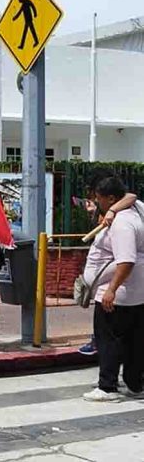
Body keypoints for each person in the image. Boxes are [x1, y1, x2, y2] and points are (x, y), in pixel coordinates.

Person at [82, 177, 144, 402]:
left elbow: (126, 260)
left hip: (118, 294)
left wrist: (112, 290)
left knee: (109, 340)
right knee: (134, 340)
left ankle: (107, 386)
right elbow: (131, 196)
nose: (97, 203)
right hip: (136, 293)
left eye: (99, 199)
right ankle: (135, 383)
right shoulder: (136, 209)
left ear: (110, 198)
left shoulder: (122, 224)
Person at [77, 171, 137, 357]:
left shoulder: (123, 218)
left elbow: (132, 196)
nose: (94, 200)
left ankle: (111, 380)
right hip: (106, 286)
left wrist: (111, 289)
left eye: (97, 196)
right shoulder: (107, 209)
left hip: (118, 290)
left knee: (114, 335)